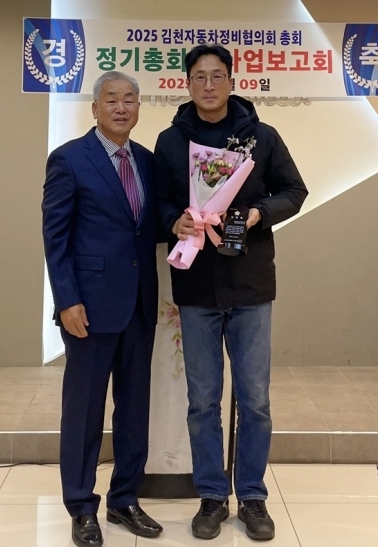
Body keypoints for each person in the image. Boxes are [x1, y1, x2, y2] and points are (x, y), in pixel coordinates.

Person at [154, 44, 308, 541]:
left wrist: (260, 212)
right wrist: (174, 220)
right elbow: (158, 203)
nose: (208, 85)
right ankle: (212, 497)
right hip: (196, 288)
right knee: (202, 401)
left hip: (250, 284)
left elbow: (295, 191)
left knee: (255, 399)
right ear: (187, 84)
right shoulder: (171, 141)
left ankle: (253, 497)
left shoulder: (262, 137)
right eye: (199, 77)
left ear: (231, 81)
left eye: (217, 76)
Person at [42, 71, 163, 547]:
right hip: (88, 308)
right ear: (95, 109)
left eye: (129, 100)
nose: (120, 107)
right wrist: (67, 300)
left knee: (134, 409)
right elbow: (56, 238)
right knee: (85, 411)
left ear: (138, 109)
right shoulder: (70, 159)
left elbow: (149, 228)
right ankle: (80, 505)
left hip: (139, 304)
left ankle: (125, 499)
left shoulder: (148, 161)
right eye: (111, 99)